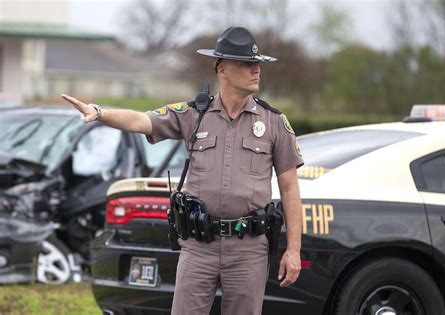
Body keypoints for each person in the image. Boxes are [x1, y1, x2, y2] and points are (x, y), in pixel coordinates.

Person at [62, 26, 303, 315]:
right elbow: (142, 121)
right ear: (222, 69)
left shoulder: (275, 122)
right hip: (199, 247)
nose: (256, 71)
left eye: (257, 64)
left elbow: (290, 188)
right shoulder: (193, 115)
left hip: (248, 248)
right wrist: (100, 113)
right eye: (246, 64)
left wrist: (294, 250)